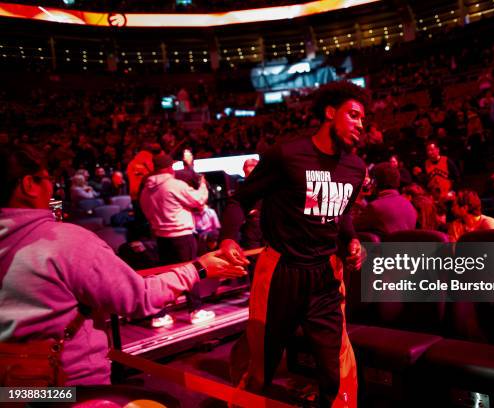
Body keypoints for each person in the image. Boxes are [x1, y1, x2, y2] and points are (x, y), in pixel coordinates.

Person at [0, 146, 245, 385]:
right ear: (28, 185)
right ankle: (195, 309)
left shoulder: (147, 189)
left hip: (12, 387)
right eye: (46, 179)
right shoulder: (66, 242)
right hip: (68, 386)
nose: (53, 187)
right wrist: (199, 269)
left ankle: (163, 317)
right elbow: (137, 297)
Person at [220, 81, 368, 407]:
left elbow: (339, 215)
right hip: (281, 271)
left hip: (326, 275)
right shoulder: (286, 155)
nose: (360, 125)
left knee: (336, 366)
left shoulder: (355, 168)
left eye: (362, 120)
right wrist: (229, 237)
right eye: (354, 115)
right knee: (261, 364)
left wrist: (353, 240)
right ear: (330, 112)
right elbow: (239, 200)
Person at [139, 153, 211, 326]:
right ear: (169, 167)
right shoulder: (174, 185)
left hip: (161, 238)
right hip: (181, 236)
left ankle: (160, 315)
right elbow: (199, 199)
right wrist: (202, 184)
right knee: (191, 273)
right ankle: (196, 310)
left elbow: (145, 209)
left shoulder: (146, 188)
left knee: (166, 276)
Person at [354, 162, 417, 236]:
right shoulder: (409, 205)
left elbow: (351, 227)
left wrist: (357, 199)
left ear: (375, 182)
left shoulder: (375, 207)